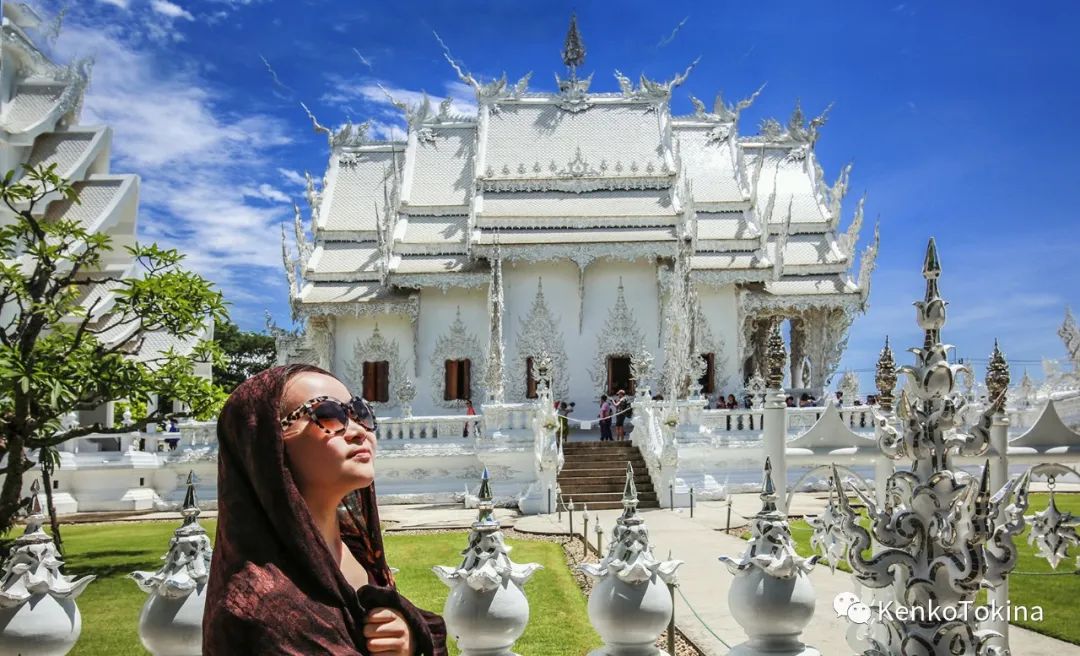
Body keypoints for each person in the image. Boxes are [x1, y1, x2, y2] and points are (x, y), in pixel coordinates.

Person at [203, 364, 447, 655]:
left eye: (360, 413)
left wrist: (408, 635)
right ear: (269, 443)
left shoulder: (355, 553)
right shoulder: (259, 603)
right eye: (330, 415)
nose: (358, 431)